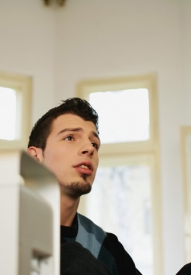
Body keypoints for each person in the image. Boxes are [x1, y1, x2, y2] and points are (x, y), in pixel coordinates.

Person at [27, 97, 141, 275]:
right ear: (35, 158)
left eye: (94, 143)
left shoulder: (106, 247)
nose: (89, 148)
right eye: (70, 137)